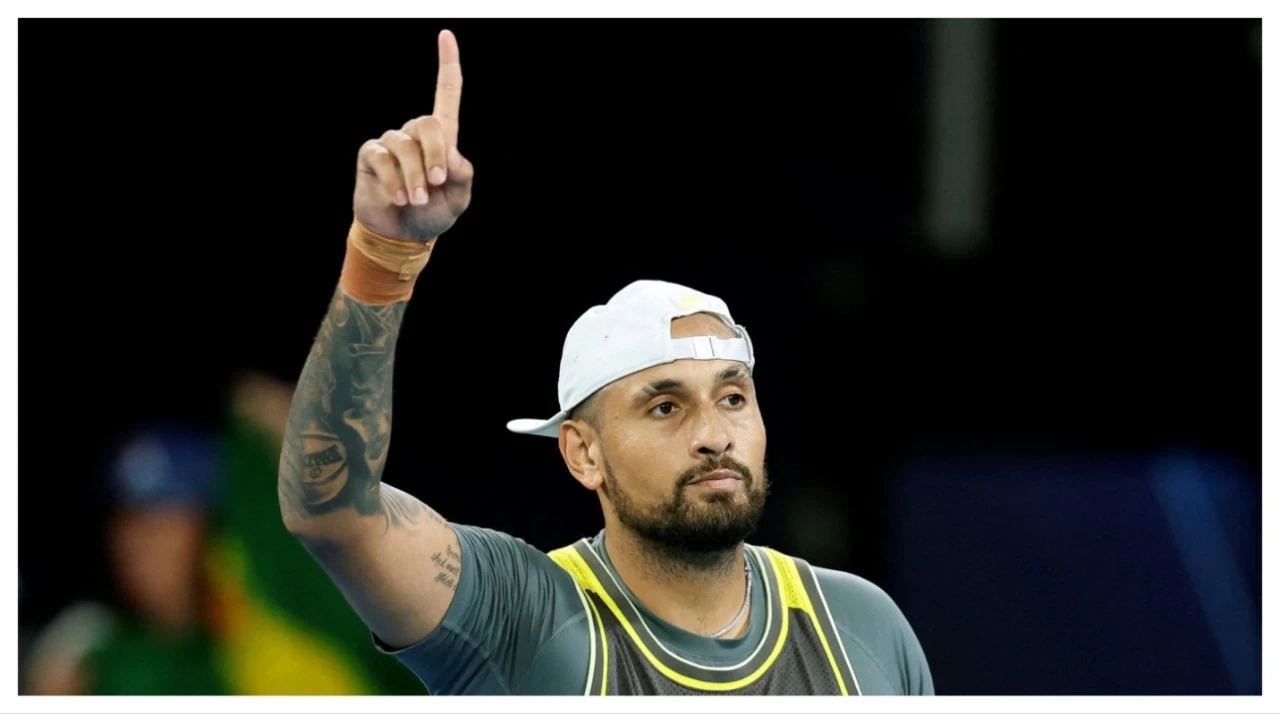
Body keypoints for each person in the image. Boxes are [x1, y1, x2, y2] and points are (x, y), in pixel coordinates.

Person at [278, 29, 933, 696]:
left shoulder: (864, 628)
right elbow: (331, 512)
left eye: (732, 397)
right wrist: (384, 254)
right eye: (665, 406)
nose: (714, 434)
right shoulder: (527, 619)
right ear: (582, 452)